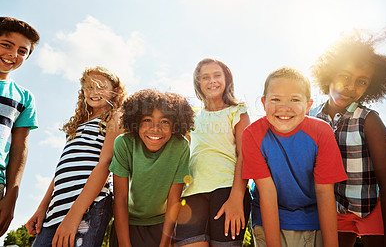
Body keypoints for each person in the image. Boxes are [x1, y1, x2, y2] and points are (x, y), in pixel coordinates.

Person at [309, 29, 386, 247]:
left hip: (372, 207)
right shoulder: (311, 118)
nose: (350, 87)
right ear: (329, 73)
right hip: (335, 207)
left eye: (362, 81)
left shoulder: (368, 120)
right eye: (345, 77)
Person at [242, 67, 348, 247]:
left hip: (313, 220)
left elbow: (324, 191)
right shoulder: (252, 135)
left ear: (308, 105)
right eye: (275, 99)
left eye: (295, 99)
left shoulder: (321, 132)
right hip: (268, 220)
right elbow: (267, 192)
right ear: (263, 102)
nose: (284, 108)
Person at [26, 66, 127, 246]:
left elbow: (105, 163)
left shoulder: (115, 117)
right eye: (89, 87)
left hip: (89, 206)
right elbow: (61, 170)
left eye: (101, 86)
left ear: (115, 92)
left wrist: (75, 214)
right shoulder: (78, 125)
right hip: (57, 208)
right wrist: (42, 208)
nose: (94, 91)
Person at [174, 58, 251, 247]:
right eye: (205, 77)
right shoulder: (191, 117)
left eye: (217, 75)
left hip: (227, 189)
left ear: (227, 79)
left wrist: (236, 197)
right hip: (192, 193)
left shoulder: (237, 111)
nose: (212, 81)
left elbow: (245, 155)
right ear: (198, 83)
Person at [109, 89, 194, 247]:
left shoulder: (180, 146)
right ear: (136, 122)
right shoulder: (124, 143)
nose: (155, 128)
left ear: (175, 126)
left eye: (165, 121)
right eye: (147, 120)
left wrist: (164, 243)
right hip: (127, 222)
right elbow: (119, 200)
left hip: (161, 223)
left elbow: (174, 200)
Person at [0, 17, 40, 236]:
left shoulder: (24, 98)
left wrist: (11, 196)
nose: (13, 55)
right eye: (6, 44)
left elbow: (19, 148)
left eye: (22, 51)